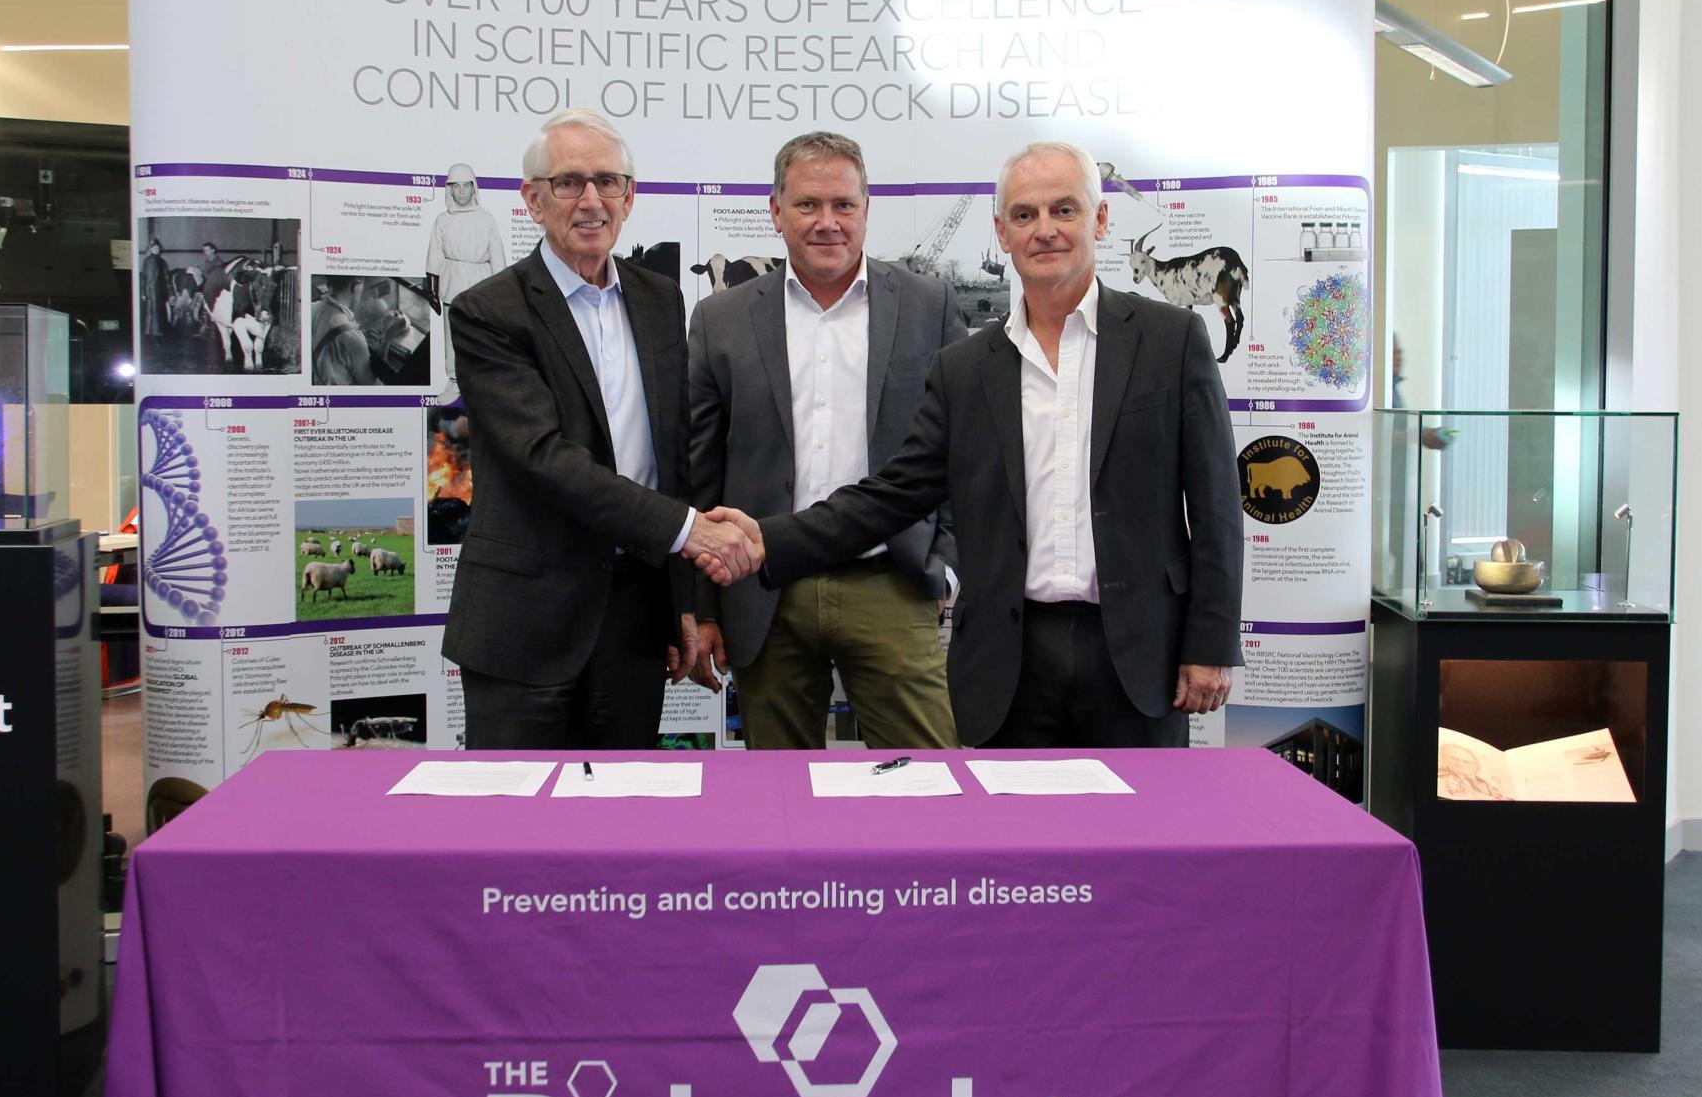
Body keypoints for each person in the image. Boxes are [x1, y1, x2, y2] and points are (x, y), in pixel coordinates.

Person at [696, 140, 1243, 749]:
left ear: (1101, 220)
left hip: (1139, 656)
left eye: (1065, 210)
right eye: (1025, 215)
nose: (1045, 231)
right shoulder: (968, 368)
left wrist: (1211, 642)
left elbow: (1217, 506)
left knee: (1138, 838)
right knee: (1008, 839)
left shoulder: (1171, 340)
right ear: (1002, 233)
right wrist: (765, 539)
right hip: (1009, 663)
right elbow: (894, 494)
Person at [441, 108, 755, 749]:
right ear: (531, 199)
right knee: (515, 828)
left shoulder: (659, 298)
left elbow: (675, 457)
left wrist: (683, 603)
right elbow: (542, 457)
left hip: (633, 623)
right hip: (526, 623)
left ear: (629, 197)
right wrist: (692, 533)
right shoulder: (488, 312)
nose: (591, 200)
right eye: (569, 183)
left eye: (608, 182)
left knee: (620, 826)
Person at [688, 131, 966, 749]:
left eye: (843, 205)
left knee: (930, 788)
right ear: (775, 211)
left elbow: (962, 450)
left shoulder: (928, 305)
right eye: (808, 205)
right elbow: (700, 475)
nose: (827, 223)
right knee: (779, 805)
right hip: (763, 592)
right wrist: (705, 606)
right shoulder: (721, 319)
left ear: (867, 211)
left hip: (890, 580)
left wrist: (944, 563)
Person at [426, 162, 508, 403]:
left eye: (466, 186)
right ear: (450, 190)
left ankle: (482, 381)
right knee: (452, 337)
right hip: (452, 282)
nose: (461, 192)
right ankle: (454, 381)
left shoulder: (486, 220)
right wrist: (432, 289)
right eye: (456, 187)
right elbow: (434, 256)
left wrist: (501, 294)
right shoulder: (442, 221)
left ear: (474, 189)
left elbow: (498, 257)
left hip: (480, 283)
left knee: (482, 336)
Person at [311, 274, 374, 385]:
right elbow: (371, 386)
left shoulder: (312, 307)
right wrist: (386, 342)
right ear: (356, 286)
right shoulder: (351, 338)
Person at [140, 237, 169, 339]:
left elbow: (166, 278)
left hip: (160, 290)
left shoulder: (163, 262)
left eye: (157, 248)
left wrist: (169, 292)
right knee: (150, 312)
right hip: (150, 291)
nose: (156, 250)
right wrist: (143, 292)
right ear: (151, 249)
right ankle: (149, 333)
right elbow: (143, 277)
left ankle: (158, 333)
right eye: (154, 248)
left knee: (159, 312)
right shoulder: (147, 261)